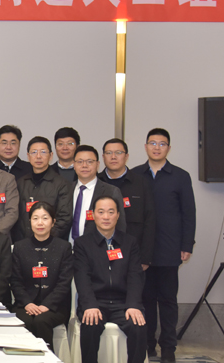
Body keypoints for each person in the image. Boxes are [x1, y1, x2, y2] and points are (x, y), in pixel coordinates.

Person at [132, 128, 196, 363]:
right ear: (145, 146)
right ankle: (148, 344)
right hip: (142, 250)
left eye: (162, 144)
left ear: (169, 148)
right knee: (145, 299)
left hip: (169, 247)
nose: (157, 147)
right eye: (152, 143)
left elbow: (189, 213)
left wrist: (186, 244)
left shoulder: (180, 176)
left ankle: (168, 347)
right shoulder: (135, 174)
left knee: (168, 300)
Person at [74, 196, 147, 363]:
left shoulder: (130, 243)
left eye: (111, 212)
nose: (106, 217)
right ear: (93, 215)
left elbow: (135, 276)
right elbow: (82, 277)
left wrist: (133, 305)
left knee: (138, 326)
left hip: (123, 303)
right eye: (101, 212)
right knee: (90, 325)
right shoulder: (83, 244)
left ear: (118, 215)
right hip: (96, 302)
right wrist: (89, 305)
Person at [10, 201, 73, 350]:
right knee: (24, 320)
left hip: (55, 306)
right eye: (35, 218)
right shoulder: (20, 247)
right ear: (30, 221)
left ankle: (46, 358)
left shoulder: (64, 247)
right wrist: (27, 303)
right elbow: (15, 280)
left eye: (45, 218)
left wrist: (47, 304)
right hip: (25, 304)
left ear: (53, 222)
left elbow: (64, 283)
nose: (40, 223)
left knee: (41, 321)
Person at [98, 138, 156, 269]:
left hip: (133, 253)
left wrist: (145, 257)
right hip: (100, 254)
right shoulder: (96, 182)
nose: (113, 157)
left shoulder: (141, 183)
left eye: (118, 152)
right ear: (103, 157)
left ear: (126, 156)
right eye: (109, 153)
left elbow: (150, 220)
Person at [12, 137, 72, 243]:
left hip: (51, 243)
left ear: (51, 155)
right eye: (34, 152)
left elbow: (64, 218)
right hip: (23, 243)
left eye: (43, 152)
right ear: (28, 156)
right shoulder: (21, 183)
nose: (38, 156)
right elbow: (16, 215)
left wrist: (44, 237)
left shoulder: (62, 184)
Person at [68, 145, 125, 243]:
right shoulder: (65, 189)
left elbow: (120, 226)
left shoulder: (111, 191)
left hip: (98, 248)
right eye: (80, 162)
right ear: (74, 165)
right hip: (67, 248)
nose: (84, 165)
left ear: (97, 164)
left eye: (90, 162)